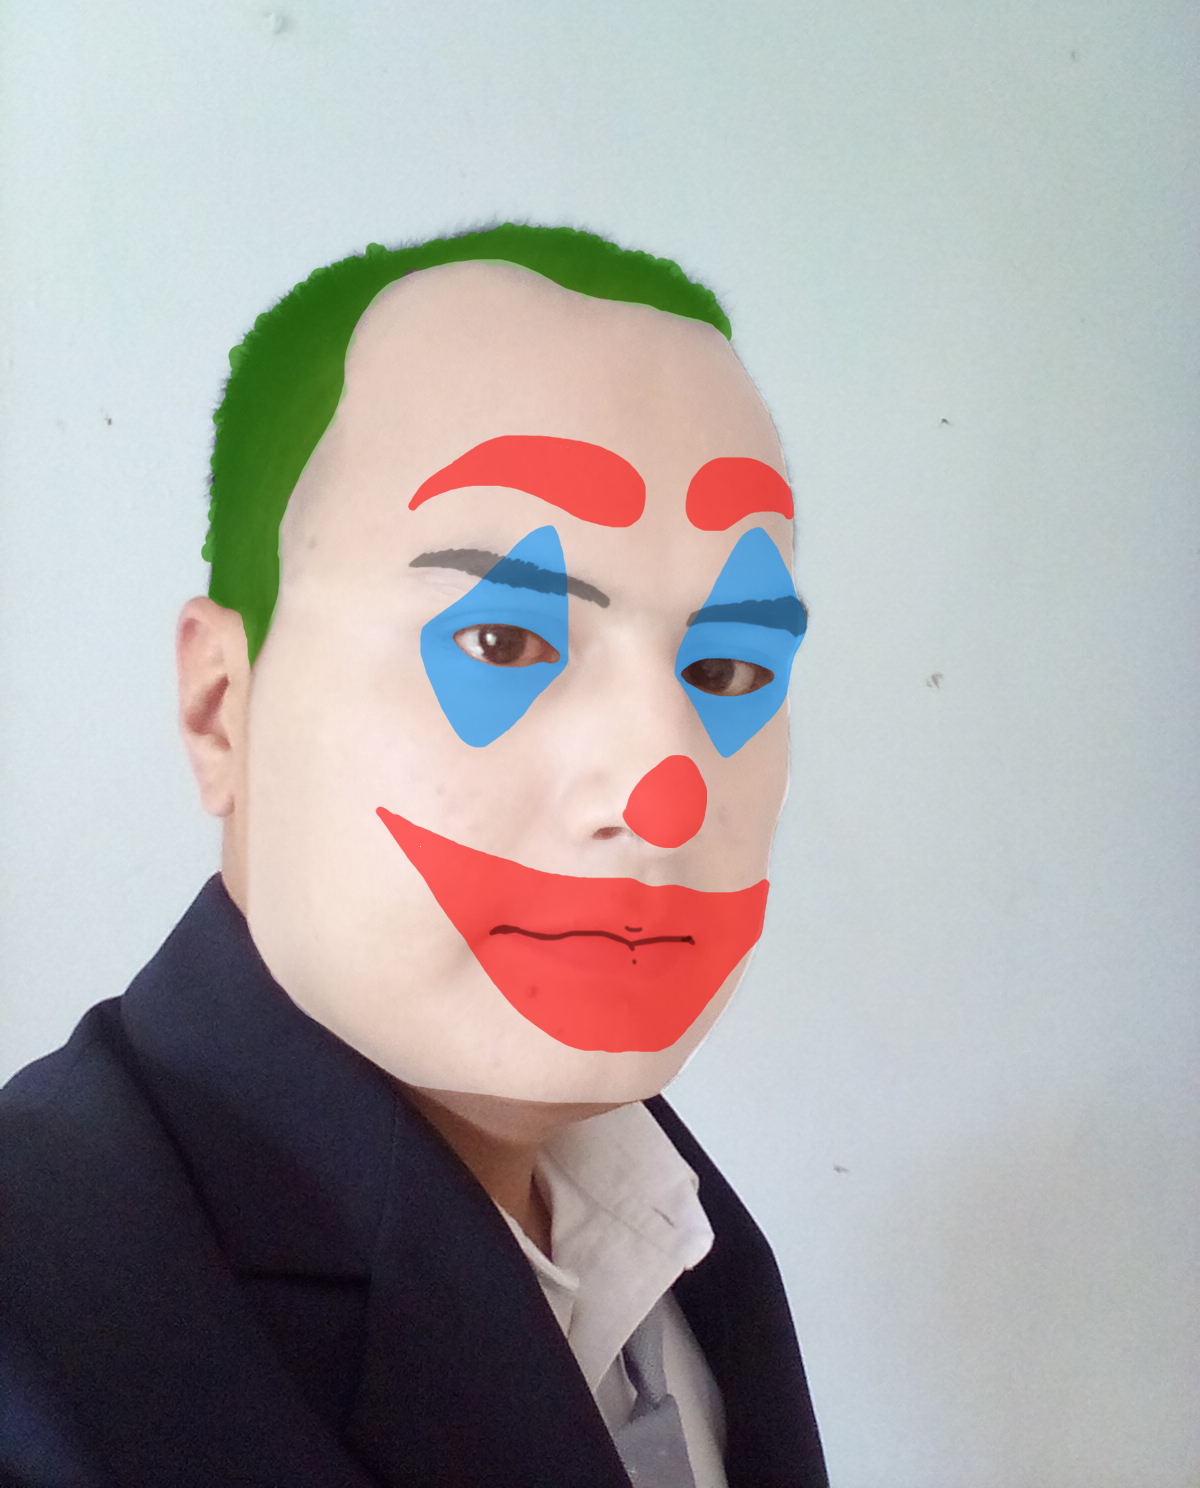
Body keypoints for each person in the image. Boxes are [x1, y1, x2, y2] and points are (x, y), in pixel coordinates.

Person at [0, 224, 828, 1487]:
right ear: (223, 707)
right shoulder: (34, 1324)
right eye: (505, 641)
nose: (666, 795)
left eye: (727, 668)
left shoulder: (671, 1227)